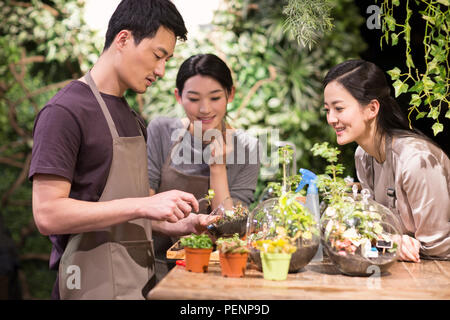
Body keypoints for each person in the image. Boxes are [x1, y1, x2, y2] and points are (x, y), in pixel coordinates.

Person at [29, 0, 216, 300]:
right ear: (124, 39)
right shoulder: (64, 111)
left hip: (137, 286)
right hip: (88, 287)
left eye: (167, 59)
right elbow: (48, 214)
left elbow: (122, 212)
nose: (161, 70)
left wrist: (172, 225)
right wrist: (143, 206)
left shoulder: (132, 118)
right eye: (158, 55)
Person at [146, 53, 260, 281]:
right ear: (178, 96)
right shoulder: (161, 132)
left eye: (215, 98)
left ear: (231, 95)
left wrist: (218, 168)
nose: (205, 109)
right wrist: (179, 226)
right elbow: (142, 208)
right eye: (194, 98)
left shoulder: (248, 148)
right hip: (155, 268)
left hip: (218, 269)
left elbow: (230, 229)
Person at [322, 59, 450, 262]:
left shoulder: (416, 161)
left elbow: (439, 248)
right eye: (327, 110)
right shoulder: (362, 156)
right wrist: (388, 242)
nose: (330, 119)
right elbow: (376, 231)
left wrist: (386, 243)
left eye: (339, 108)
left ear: (372, 108)